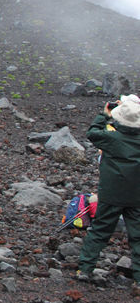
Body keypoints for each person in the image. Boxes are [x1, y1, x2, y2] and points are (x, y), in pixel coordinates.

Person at [77, 99, 140, 293]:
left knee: (100, 231)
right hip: (137, 197)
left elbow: (92, 133)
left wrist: (104, 115)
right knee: (138, 236)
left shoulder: (111, 139)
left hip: (110, 195)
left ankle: (85, 269)